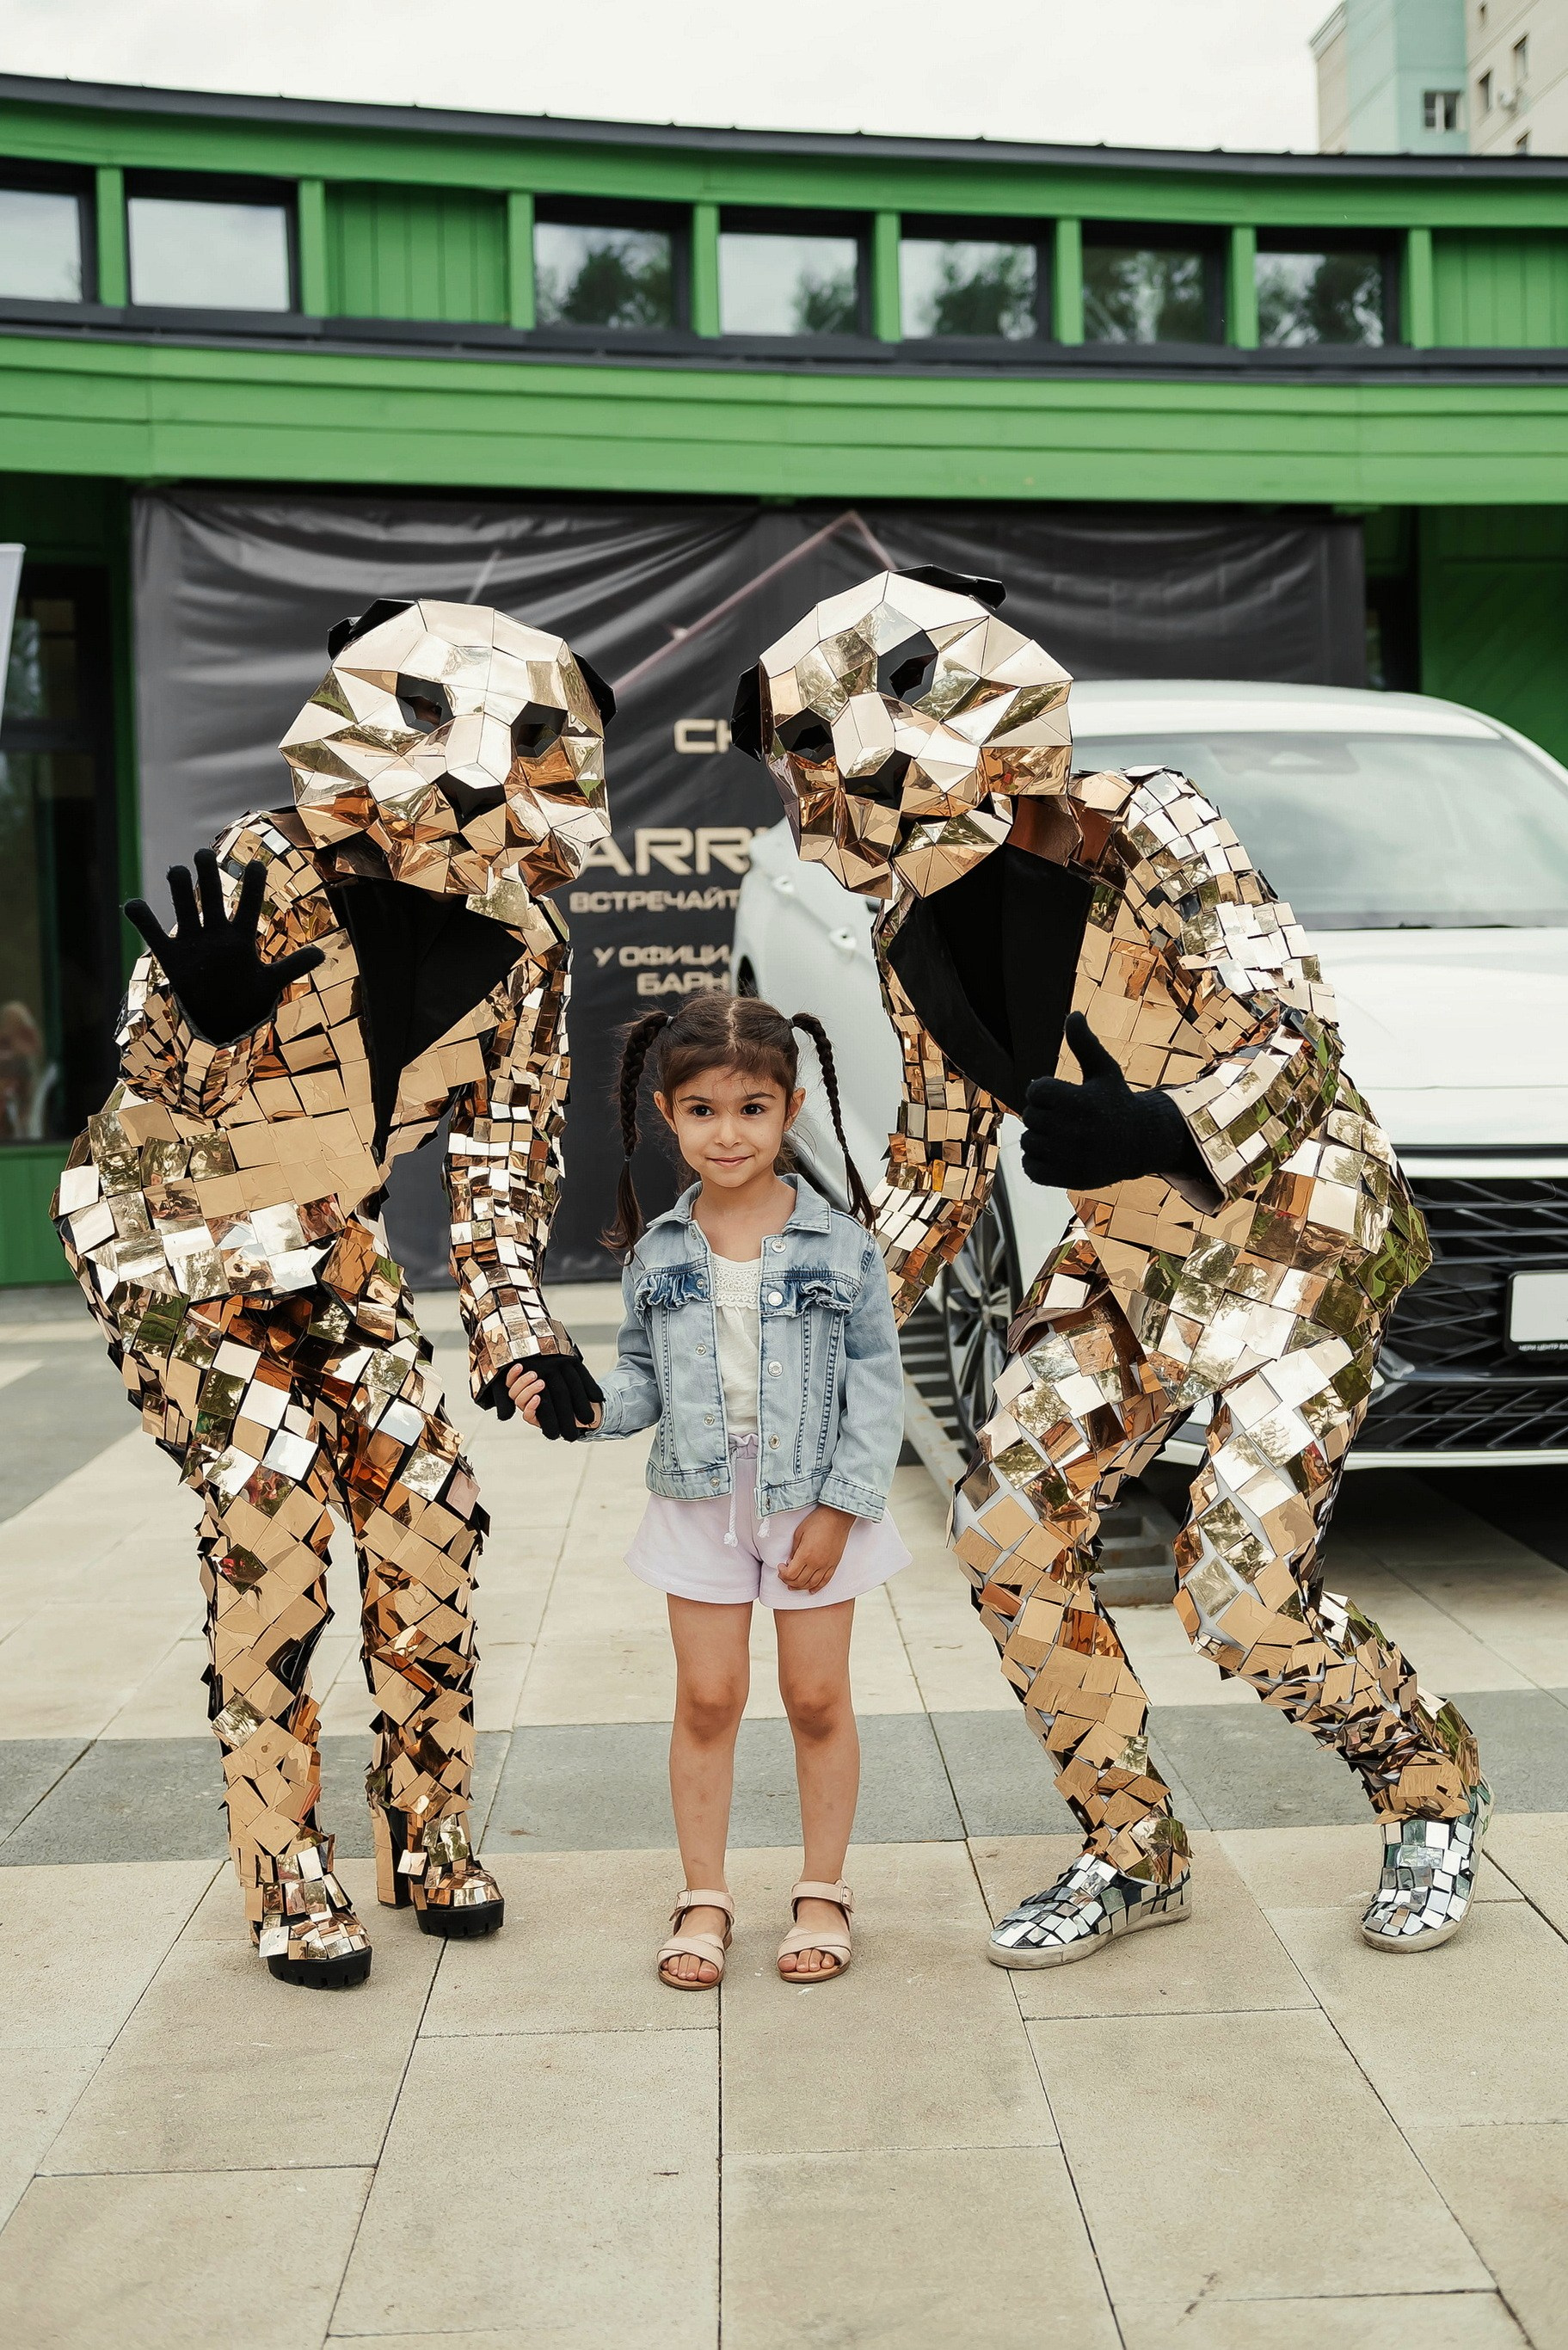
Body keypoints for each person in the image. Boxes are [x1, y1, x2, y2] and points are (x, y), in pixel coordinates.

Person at [729, 563, 1487, 1966]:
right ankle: (1130, 1846)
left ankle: (1426, 1786)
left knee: (1242, 1599)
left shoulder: (1148, 824)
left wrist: (1151, 1124)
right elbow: (939, 1159)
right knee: (1004, 1535)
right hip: (1125, 1253)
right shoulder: (905, 929)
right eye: (813, 774)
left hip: (1292, 1235)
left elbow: (1290, 1037)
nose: (847, 809)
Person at [54, 595, 611, 1988]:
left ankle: (428, 1831)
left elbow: (499, 1162)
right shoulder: (266, 863)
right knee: (276, 1506)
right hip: (164, 1226)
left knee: (431, 1506)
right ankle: (284, 1861)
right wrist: (203, 1024)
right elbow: (153, 1086)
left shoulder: (529, 945)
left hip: (323, 1231)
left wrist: (520, 1333)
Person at [510, 992, 909, 1988]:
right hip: (697, 1495)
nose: (727, 1133)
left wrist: (839, 1509)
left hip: (813, 1495)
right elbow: (641, 1380)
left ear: (790, 1108)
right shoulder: (657, 1250)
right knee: (706, 1695)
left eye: (751, 1108)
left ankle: (822, 1889)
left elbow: (876, 1387)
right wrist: (578, 1406)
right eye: (701, 1110)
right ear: (666, 1112)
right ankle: (703, 1894)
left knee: (814, 1695)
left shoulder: (842, 1245)